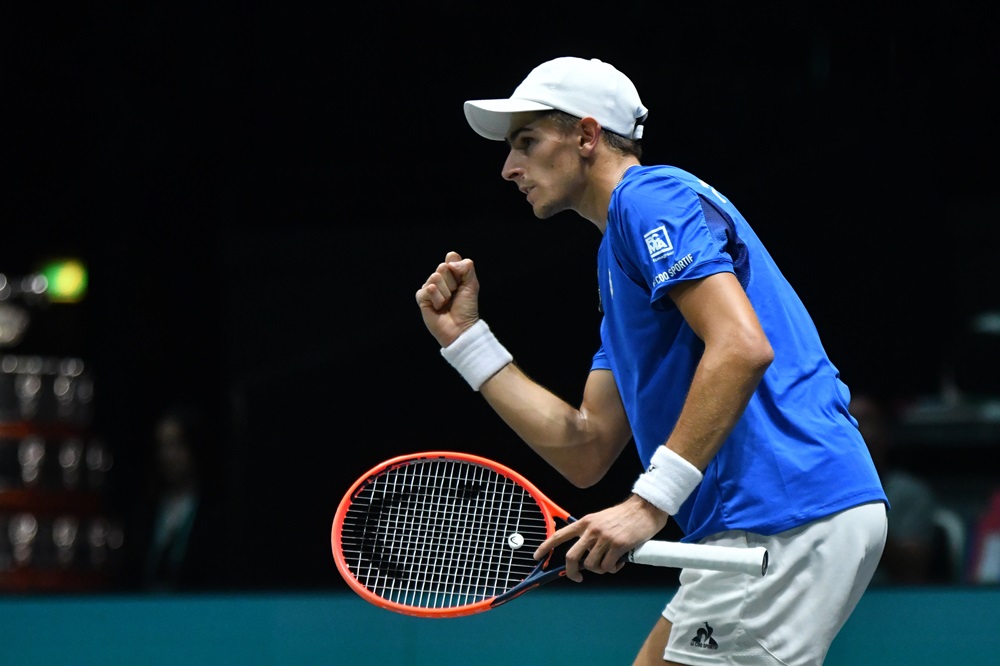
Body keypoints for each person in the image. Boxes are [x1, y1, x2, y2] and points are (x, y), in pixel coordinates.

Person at [415, 56, 889, 665]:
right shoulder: (620, 259)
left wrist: (647, 505)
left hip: (779, 510)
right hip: (769, 516)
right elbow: (587, 445)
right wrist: (465, 341)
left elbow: (742, 347)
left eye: (527, 142)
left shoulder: (649, 197)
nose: (509, 168)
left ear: (587, 136)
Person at [850, 393, 940, 585]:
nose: (854, 429)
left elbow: (912, 568)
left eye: (864, 421)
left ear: (886, 433)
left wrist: (860, 511)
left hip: (891, 599)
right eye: (847, 420)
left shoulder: (909, 493)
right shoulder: (817, 493)